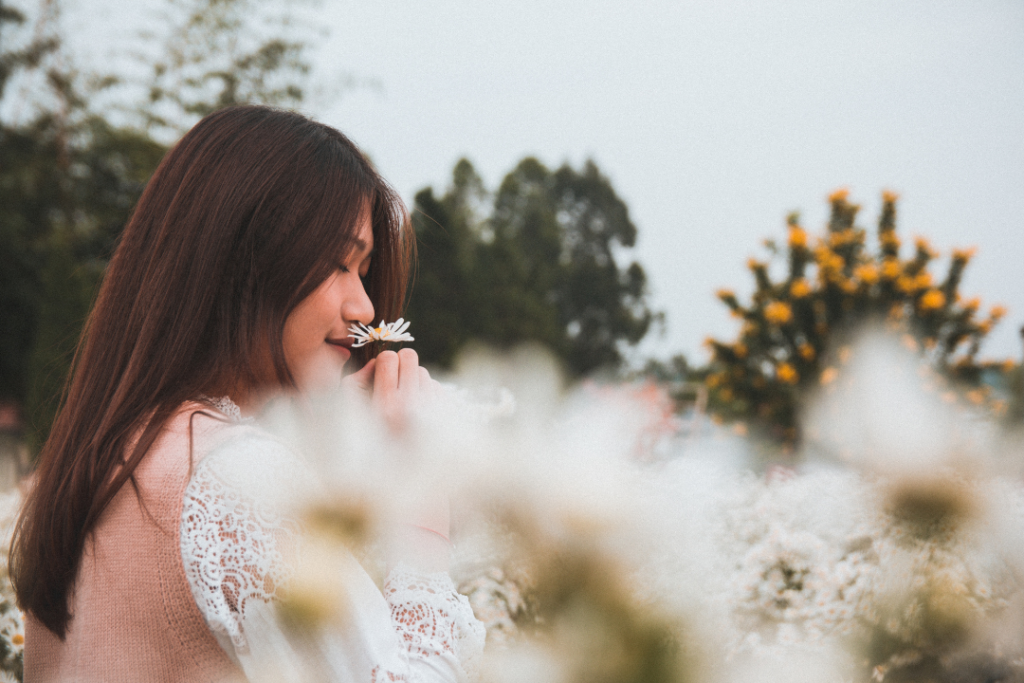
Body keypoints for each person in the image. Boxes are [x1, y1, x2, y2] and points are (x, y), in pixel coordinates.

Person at [10, 105, 485, 682]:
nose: (364, 308)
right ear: (241, 260)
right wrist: (420, 495)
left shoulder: (101, 460)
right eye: (337, 262)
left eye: (363, 270)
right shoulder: (238, 479)